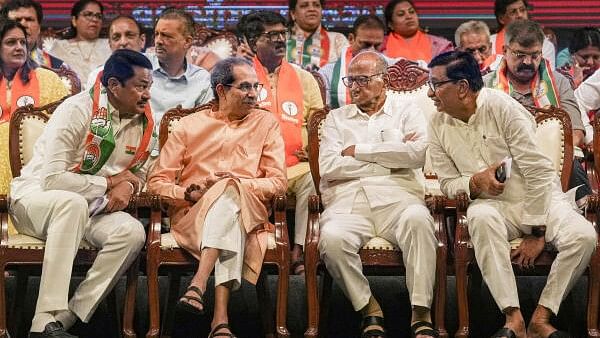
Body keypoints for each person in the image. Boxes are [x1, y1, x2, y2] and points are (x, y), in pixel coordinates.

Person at [427, 50, 596, 338]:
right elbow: (447, 183)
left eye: (436, 85)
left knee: (584, 236)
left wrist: (537, 231)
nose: (431, 94)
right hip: (493, 206)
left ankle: (541, 318)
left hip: (539, 198)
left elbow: (539, 172)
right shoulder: (437, 123)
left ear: (463, 87)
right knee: (479, 217)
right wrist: (474, 183)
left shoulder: (503, 108)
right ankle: (513, 318)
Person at [9, 49, 156, 338]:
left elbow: (143, 171)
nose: (147, 94)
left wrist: (129, 185)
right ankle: (42, 321)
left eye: (150, 86)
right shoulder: (77, 110)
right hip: (36, 200)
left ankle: (64, 319)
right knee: (71, 203)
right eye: (140, 86)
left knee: (131, 232)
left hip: (91, 208)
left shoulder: (146, 121)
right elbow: (52, 179)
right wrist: (111, 182)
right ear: (114, 86)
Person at [147, 57, 287, 337]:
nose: (253, 94)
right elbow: (156, 183)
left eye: (255, 86)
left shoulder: (266, 123)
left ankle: (199, 283)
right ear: (221, 90)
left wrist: (237, 184)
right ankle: (219, 319)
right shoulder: (187, 126)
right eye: (244, 87)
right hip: (193, 214)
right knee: (226, 199)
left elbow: (279, 182)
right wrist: (187, 193)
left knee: (229, 189)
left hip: (250, 213)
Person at [318, 50, 438, 338]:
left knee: (419, 221)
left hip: (399, 199)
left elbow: (417, 154)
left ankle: (421, 312)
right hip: (349, 203)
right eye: (350, 80)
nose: (355, 87)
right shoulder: (337, 118)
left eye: (363, 79)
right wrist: (389, 163)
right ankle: (369, 309)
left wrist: (360, 152)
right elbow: (329, 166)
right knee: (331, 240)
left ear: (383, 80)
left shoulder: (407, 111)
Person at [239, 10, 324, 275]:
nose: (279, 40)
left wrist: (313, 148)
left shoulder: (303, 78)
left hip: (294, 166)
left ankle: (299, 251)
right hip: (253, 166)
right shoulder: (238, 77)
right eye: (271, 35)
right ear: (253, 43)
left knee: (312, 177)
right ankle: (253, 250)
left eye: (282, 34)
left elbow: (319, 123)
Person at [483, 20, 591, 203]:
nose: (527, 62)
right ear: (504, 50)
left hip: (551, 159)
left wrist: (547, 153)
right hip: (501, 159)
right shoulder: (485, 85)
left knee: (573, 166)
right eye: (519, 54)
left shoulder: (558, 83)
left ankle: (587, 218)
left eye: (534, 55)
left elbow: (576, 133)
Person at [0, 18, 69, 198]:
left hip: (36, 169)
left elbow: (66, 129)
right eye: (10, 42)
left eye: (22, 42)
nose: (19, 47)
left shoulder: (48, 79)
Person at [146, 8, 213, 137]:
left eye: (166, 36)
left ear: (187, 42)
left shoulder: (202, 80)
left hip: (181, 149)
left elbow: (205, 127)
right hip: (137, 148)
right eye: (156, 34)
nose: (158, 41)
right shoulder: (139, 65)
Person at [319, 14, 387, 108]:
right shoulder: (326, 73)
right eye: (365, 44)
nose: (371, 50)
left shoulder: (393, 67)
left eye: (377, 45)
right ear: (351, 39)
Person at [48, 0, 111, 83]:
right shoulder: (59, 47)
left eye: (98, 16)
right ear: (74, 20)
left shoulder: (110, 44)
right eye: (88, 14)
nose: (95, 19)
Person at [85, 15, 146, 88]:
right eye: (116, 38)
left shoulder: (156, 72)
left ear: (142, 40)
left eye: (129, 35)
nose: (123, 42)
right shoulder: (96, 77)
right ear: (110, 44)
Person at [491, 0, 556, 69]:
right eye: (513, 12)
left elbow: (547, 77)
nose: (520, 15)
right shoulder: (489, 44)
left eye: (522, 10)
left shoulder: (544, 44)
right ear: (501, 19)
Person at [382, 0, 453, 63]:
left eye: (412, 12)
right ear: (390, 24)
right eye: (401, 14)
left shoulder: (441, 46)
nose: (409, 17)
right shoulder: (380, 45)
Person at [1, 0, 65, 68]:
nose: (23, 24)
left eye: (29, 19)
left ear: (39, 27)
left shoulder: (60, 67)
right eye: (17, 20)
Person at [286, 0, 348, 70]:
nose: (312, 9)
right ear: (293, 14)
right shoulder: (282, 40)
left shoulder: (338, 40)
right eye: (304, 5)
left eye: (316, 5)